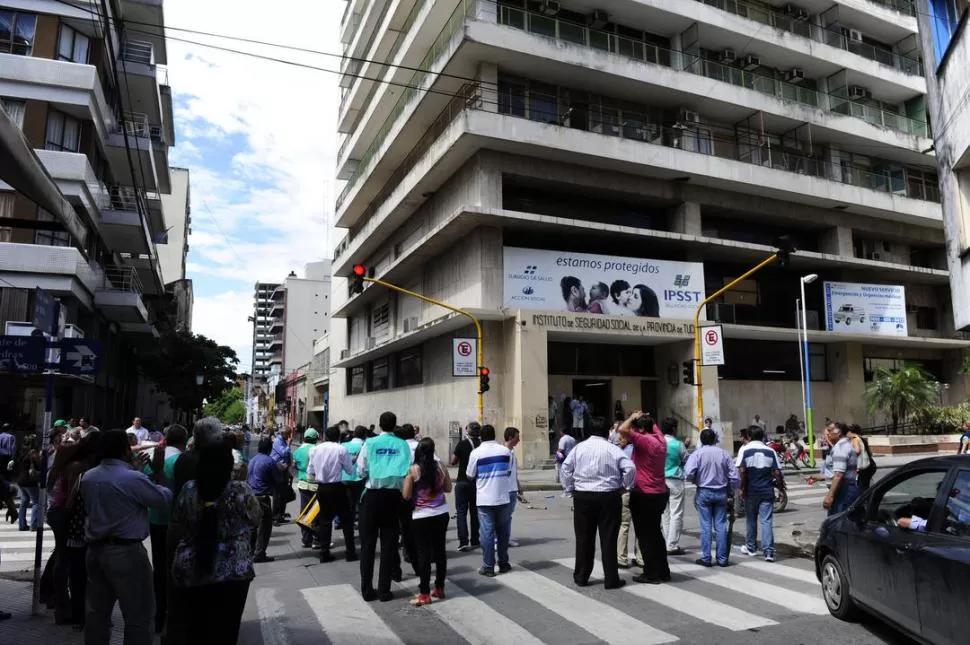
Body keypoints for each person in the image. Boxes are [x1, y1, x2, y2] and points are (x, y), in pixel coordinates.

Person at [80, 429, 172, 645]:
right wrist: (157, 473)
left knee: (97, 615)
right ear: (124, 449)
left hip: (95, 550)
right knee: (139, 616)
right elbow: (163, 499)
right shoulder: (131, 478)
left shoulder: (89, 476)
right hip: (125, 553)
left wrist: (137, 472)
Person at [169, 441, 261, 645]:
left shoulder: (189, 489)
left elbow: (177, 523)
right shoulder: (240, 490)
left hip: (191, 568)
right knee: (226, 631)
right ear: (230, 465)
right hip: (233, 572)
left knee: (195, 630)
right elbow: (256, 519)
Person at [560, 417, 635, 589]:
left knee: (584, 538)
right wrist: (625, 486)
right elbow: (630, 468)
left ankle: (581, 576)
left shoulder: (579, 448)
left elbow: (565, 468)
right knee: (609, 539)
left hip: (583, 496)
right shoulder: (613, 449)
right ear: (608, 430)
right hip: (608, 496)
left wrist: (569, 489)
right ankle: (611, 579)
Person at [357, 411, 412, 602]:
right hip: (393, 497)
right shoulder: (402, 444)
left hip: (372, 496)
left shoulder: (370, 443)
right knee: (389, 545)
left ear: (380, 425)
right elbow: (408, 470)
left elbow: (360, 469)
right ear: (394, 424)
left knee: (367, 546)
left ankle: (366, 590)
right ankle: (384, 590)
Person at [615, 410, 670, 584]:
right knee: (656, 534)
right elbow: (652, 426)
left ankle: (651, 573)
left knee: (645, 536)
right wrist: (645, 417)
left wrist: (632, 418)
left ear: (641, 429)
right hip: (659, 492)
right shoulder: (660, 439)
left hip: (644, 493)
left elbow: (622, 430)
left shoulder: (644, 440)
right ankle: (663, 571)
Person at [143, 424, 187, 634]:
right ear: (184, 441)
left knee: (159, 567)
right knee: (176, 568)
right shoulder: (180, 460)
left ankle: (158, 613)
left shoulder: (154, 456)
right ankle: (173, 613)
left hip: (155, 518)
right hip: (175, 521)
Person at [402, 437, 452, 606]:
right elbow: (448, 488)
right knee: (440, 552)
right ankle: (439, 587)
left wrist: (408, 480)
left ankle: (424, 592)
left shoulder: (414, 470)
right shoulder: (441, 466)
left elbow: (407, 495)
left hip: (421, 516)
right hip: (441, 513)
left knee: (423, 554)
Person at [684, 429, 739, 568]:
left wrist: (696, 480)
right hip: (721, 492)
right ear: (715, 439)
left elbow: (688, 473)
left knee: (705, 526)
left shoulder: (697, 454)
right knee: (720, 525)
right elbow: (735, 476)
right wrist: (731, 490)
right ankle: (722, 559)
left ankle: (706, 558)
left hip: (704, 492)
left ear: (701, 440)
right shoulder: (724, 454)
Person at [466, 424, 513, 578]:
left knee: (487, 533)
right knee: (503, 533)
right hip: (503, 497)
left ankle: (488, 567)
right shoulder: (506, 451)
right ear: (494, 435)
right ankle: (504, 563)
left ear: (480, 437)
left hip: (485, 499)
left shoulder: (476, 453)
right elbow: (508, 471)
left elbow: (470, 475)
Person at [307, 426, 357, 563]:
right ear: (339, 437)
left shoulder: (315, 450)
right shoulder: (341, 449)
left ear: (325, 436)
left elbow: (310, 470)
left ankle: (324, 552)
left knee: (325, 520)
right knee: (346, 520)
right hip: (337, 487)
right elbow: (349, 469)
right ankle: (350, 552)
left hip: (322, 487)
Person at [738, 426, 784, 563]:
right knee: (766, 521)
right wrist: (781, 488)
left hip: (751, 490)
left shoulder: (744, 450)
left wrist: (741, 488)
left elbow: (742, 471)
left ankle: (751, 547)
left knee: (751, 519)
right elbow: (777, 472)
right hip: (766, 490)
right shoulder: (770, 451)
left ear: (750, 436)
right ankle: (768, 551)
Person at [247, 436, 281, 563]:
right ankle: (259, 553)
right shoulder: (269, 461)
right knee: (264, 527)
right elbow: (278, 479)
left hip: (251, 496)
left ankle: (250, 551)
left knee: (252, 527)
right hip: (262, 497)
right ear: (270, 448)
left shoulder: (252, 460)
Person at [451, 422, 481, 551]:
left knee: (461, 512)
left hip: (463, 480)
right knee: (475, 511)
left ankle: (463, 541)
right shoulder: (481, 445)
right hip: (476, 482)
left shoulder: (462, 444)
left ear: (468, 431)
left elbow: (453, 461)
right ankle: (475, 539)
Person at [616, 432, 643, 570]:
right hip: (640, 490)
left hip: (627, 491)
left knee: (624, 525)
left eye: (621, 437)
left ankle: (622, 558)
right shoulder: (640, 449)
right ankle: (640, 558)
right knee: (640, 526)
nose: (619, 440)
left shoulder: (622, 453)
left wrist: (624, 487)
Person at [660, 418, 687, 555]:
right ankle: (672, 544)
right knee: (676, 512)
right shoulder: (678, 444)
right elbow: (685, 459)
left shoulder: (658, 442)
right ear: (674, 429)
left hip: (661, 480)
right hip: (675, 479)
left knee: (665, 513)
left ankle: (666, 542)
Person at [823, 421, 859, 515]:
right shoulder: (845, 445)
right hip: (846, 488)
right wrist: (819, 477)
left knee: (836, 523)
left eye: (830, 430)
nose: (828, 433)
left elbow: (839, 475)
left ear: (838, 432)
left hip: (844, 490)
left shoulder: (841, 447)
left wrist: (829, 496)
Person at [292, 428, 320, 549]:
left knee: (304, 511)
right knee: (316, 512)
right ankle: (316, 539)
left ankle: (305, 539)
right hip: (315, 484)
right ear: (315, 438)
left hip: (302, 484)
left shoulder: (298, 451)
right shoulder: (316, 450)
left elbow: (294, 466)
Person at [503, 427, 527, 548]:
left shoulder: (512, 453)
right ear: (511, 438)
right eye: (517, 437)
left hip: (513, 489)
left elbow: (513, 472)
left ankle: (506, 538)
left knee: (508, 516)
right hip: (506, 490)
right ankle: (499, 539)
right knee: (503, 517)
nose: (519, 440)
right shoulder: (503, 452)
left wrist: (518, 487)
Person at [14, 434, 41, 532]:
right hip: (29, 480)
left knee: (24, 501)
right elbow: (39, 464)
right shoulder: (33, 452)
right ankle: (34, 525)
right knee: (37, 502)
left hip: (20, 479)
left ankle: (22, 525)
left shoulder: (21, 451)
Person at [343, 426, 367, 529]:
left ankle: (348, 525)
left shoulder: (343, 445)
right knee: (361, 504)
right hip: (359, 479)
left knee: (348, 505)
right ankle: (360, 523)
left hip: (344, 478)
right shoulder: (364, 445)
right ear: (364, 435)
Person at [270, 428, 293, 525]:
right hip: (278, 469)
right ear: (283, 433)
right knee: (278, 494)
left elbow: (288, 455)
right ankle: (275, 517)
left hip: (285, 469)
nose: (289, 436)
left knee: (283, 494)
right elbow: (283, 453)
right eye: (288, 434)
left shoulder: (283, 440)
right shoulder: (277, 441)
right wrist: (289, 445)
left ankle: (281, 515)